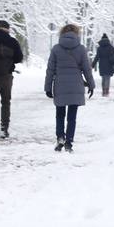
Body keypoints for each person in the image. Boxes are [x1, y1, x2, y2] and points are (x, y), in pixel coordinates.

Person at [45, 23, 95, 152]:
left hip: (60, 85)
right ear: (76, 34)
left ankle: (60, 137)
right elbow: (86, 69)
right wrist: (91, 85)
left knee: (60, 114)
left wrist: (48, 87)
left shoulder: (56, 49)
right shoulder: (81, 49)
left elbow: (50, 70)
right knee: (72, 116)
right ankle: (69, 142)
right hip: (76, 86)